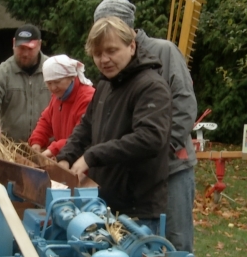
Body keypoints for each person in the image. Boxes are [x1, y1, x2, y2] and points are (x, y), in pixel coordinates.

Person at [93, 0, 198, 253]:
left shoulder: (164, 51)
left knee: (175, 244)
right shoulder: (115, 65)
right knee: (134, 246)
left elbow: (184, 105)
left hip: (172, 169)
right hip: (133, 176)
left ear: (128, 29)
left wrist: (160, 152)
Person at [56, 17, 171, 232]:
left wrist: (92, 156)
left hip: (138, 211)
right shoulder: (105, 85)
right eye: (98, 54)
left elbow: (150, 138)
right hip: (102, 203)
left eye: (111, 51)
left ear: (132, 46)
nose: (104, 59)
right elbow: (86, 126)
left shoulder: (151, 87)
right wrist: (65, 157)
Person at [0, 24, 50, 142]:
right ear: (14, 43)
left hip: (47, 149)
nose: (25, 54)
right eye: (21, 48)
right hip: (11, 148)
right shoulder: (1, 73)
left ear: (39, 45)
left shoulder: (53, 70)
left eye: (30, 49)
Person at [29, 55, 96, 158]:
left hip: (81, 162)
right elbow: (46, 121)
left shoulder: (87, 99)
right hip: (64, 156)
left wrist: (54, 149)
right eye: (49, 83)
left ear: (71, 76)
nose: (53, 87)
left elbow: (83, 137)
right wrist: (37, 140)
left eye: (57, 82)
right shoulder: (59, 96)